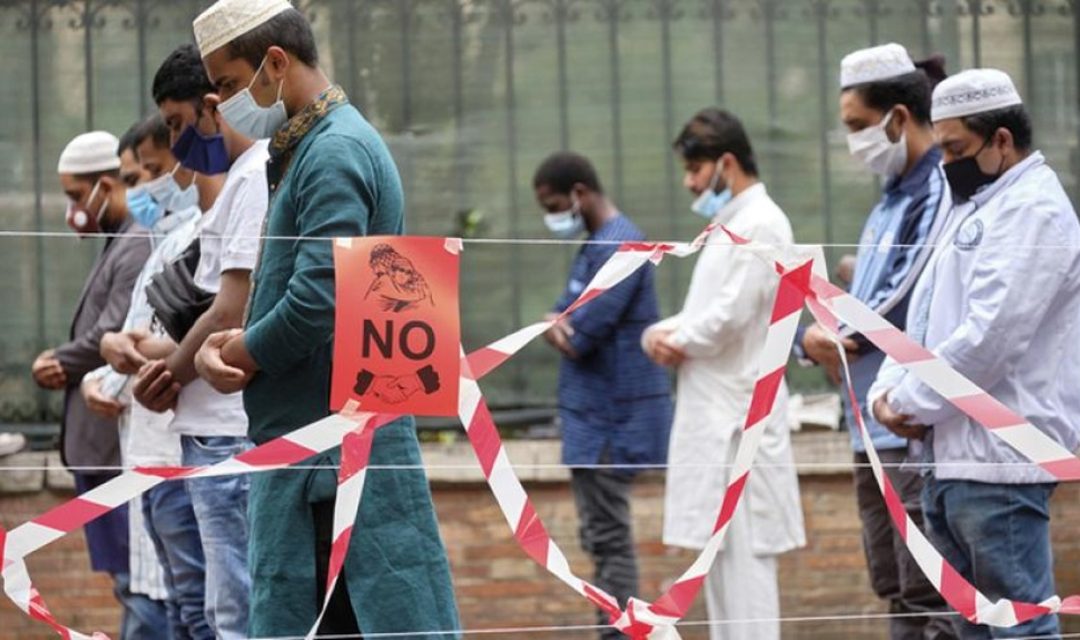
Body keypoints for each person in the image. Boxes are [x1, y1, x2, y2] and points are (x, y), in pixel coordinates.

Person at [190, 0, 460, 636]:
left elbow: (318, 300)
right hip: (320, 454)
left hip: (332, 459)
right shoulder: (310, 145)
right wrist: (238, 342)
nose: (224, 104)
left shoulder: (332, 152)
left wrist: (239, 354)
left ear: (275, 62)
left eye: (228, 85)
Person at [870, 69, 1080, 639]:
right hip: (953, 458)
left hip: (1000, 461)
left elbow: (989, 338)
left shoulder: (1034, 210)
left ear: (1003, 141)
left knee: (1018, 628)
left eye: (956, 148)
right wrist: (885, 394)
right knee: (974, 630)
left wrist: (909, 402)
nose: (945, 163)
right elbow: (924, 320)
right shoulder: (976, 204)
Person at [796, 43, 955, 640]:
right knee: (894, 586)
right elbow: (873, 291)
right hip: (869, 424)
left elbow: (895, 300)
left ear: (898, 117)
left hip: (907, 420)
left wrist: (829, 335)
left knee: (926, 587)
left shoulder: (934, 189)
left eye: (859, 127)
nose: (854, 142)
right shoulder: (890, 200)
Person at [641, 108, 805, 640]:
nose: (690, 183)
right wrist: (661, 334)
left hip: (740, 422)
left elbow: (728, 318)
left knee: (748, 575)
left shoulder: (763, 222)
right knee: (720, 566)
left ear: (726, 163)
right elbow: (706, 313)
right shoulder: (729, 225)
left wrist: (675, 340)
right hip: (718, 419)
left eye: (695, 170)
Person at [129, 43, 262, 639]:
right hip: (206, 430)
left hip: (227, 434)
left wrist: (170, 374)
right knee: (211, 610)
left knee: (233, 616)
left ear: (213, 105)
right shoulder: (238, 180)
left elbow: (230, 310)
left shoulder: (254, 175)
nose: (179, 141)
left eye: (180, 124)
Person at [82, 115, 213, 640]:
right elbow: (139, 336)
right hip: (153, 460)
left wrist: (128, 354)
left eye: (147, 175)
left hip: (184, 457)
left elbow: (200, 335)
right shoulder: (165, 241)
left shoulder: (205, 235)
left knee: (198, 610)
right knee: (181, 608)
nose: (139, 192)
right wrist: (107, 365)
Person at [533, 151, 673, 640]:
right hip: (592, 421)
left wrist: (561, 327)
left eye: (553, 204)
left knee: (610, 541)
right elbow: (560, 315)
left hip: (612, 423)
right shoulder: (598, 245)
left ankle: (621, 635)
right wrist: (560, 323)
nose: (552, 216)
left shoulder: (623, 247)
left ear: (579, 192)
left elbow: (578, 333)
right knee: (599, 538)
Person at [34, 130, 160, 638]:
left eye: (73, 195)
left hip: (113, 450)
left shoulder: (136, 242)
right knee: (128, 581)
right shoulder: (121, 242)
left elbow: (111, 332)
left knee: (138, 583)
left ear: (104, 186)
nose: (71, 210)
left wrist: (59, 361)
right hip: (100, 450)